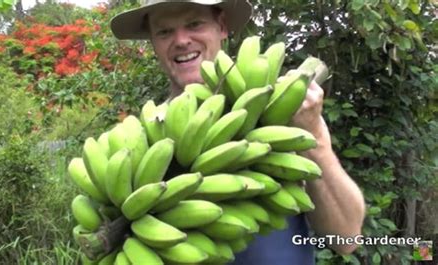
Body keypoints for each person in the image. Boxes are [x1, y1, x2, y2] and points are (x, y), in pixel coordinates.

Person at [110, 0, 366, 263]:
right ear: (153, 41)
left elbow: (346, 239)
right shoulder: (140, 139)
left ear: (221, 26)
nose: (181, 40)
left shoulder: (276, 114)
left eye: (194, 24)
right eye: (164, 32)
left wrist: (315, 139)